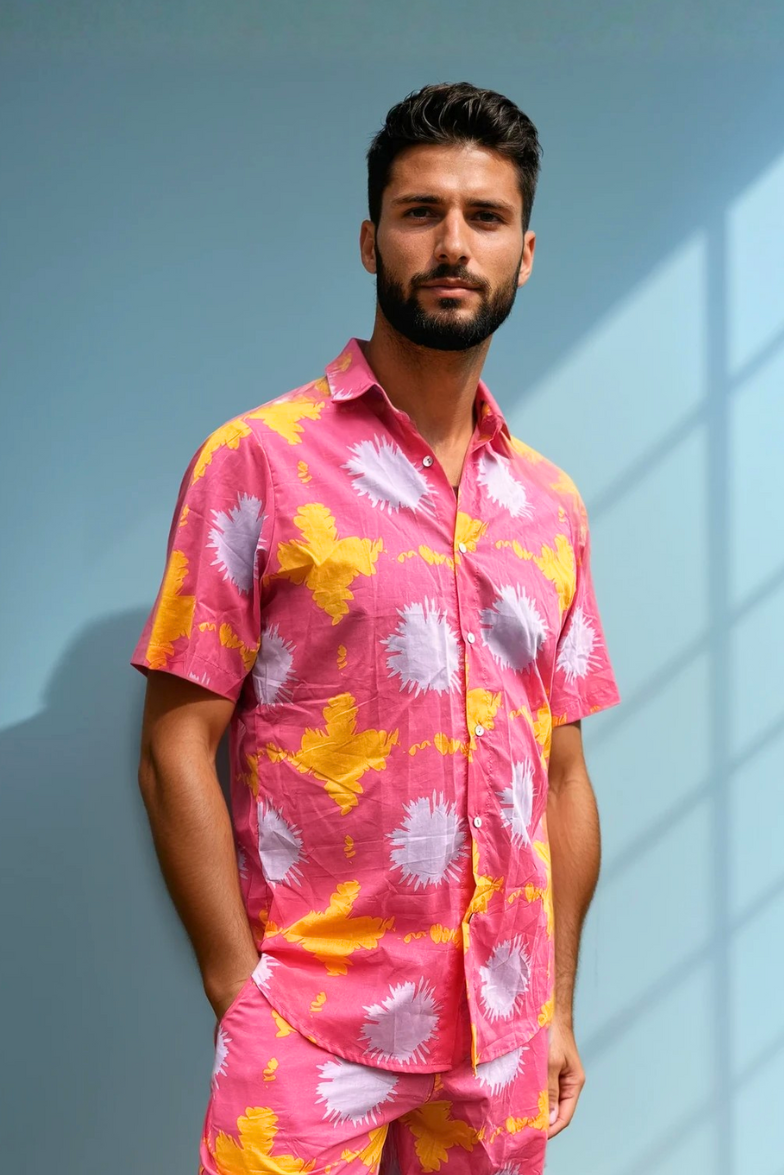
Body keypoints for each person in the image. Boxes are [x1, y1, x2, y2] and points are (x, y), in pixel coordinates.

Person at [130, 80, 621, 1175]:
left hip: (498, 1038)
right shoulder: (255, 460)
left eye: (484, 217)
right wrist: (235, 983)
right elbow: (174, 747)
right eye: (420, 213)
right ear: (369, 240)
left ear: (525, 253)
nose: (453, 243)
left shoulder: (551, 506)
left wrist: (552, 1005)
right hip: (309, 1028)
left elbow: (564, 774)